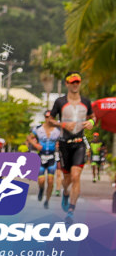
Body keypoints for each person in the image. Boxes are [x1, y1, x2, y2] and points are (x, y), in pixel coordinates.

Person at [50, 71, 94, 222]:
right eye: (72, 82)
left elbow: (93, 117)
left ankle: (71, 210)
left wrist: (91, 123)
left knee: (76, 176)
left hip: (79, 143)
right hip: (64, 144)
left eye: (78, 82)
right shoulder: (60, 102)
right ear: (67, 84)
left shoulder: (86, 102)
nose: (75, 84)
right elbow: (50, 120)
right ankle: (66, 193)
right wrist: (62, 124)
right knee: (66, 179)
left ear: (80, 83)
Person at [28, 113, 61, 208]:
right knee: (41, 180)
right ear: (44, 118)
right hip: (41, 157)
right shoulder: (38, 129)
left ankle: (47, 200)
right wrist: (35, 145)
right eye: (47, 117)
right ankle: (41, 189)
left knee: (50, 181)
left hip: (51, 157)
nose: (48, 119)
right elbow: (29, 138)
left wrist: (60, 145)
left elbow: (64, 138)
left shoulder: (58, 130)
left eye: (51, 117)